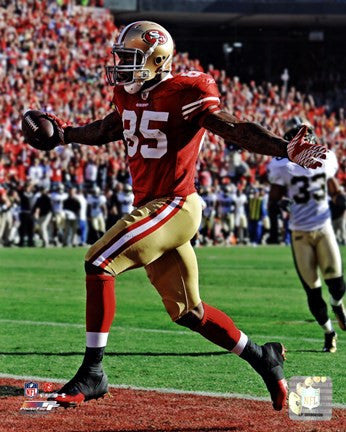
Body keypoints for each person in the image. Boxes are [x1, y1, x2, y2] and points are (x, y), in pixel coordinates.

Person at [25, 21, 328, 410]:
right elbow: (109, 128)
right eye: (122, 57)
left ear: (157, 59)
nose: (121, 66)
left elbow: (233, 128)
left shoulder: (186, 90)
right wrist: (66, 135)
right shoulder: (127, 94)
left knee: (99, 261)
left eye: (131, 59)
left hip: (177, 204)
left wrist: (283, 149)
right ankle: (264, 357)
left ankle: (93, 373)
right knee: (189, 312)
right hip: (152, 207)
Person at [267, 117, 346, 353]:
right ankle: (329, 332)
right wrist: (277, 217)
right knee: (312, 290)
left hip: (323, 229)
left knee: (337, 282)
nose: (304, 137)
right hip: (300, 233)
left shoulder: (326, 158)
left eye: (305, 132)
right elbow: (273, 199)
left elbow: (336, 192)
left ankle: (337, 305)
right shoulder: (282, 165)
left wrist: (339, 203)